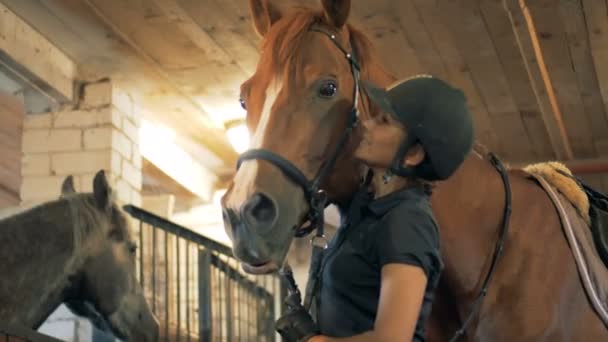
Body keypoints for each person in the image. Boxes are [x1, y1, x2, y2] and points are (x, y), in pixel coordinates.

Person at [275, 75, 475, 342]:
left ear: (412, 154)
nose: (366, 126)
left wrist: (311, 340)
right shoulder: (369, 207)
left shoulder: (407, 221)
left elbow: (391, 340)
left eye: (383, 122)